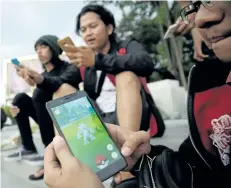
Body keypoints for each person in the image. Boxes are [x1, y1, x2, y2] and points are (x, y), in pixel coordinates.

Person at [44, 1, 231, 188]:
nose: (88, 33)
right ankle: (67, 160)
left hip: (133, 121)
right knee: (62, 91)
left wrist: (98, 60)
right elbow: (60, 81)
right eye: (83, 30)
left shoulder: (125, 46)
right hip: (101, 122)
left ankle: (125, 163)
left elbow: (145, 62)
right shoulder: (82, 60)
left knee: (125, 75)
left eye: (93, 26)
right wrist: (39, 80)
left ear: (109, 28)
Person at [6, 35, 80, 181]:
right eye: (36, 49)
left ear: (53, 48)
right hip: (45, 120)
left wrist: (41, 80)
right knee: (20, 99)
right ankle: (28, 147)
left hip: (66, 121)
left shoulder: (69, 67)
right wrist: (19, 110)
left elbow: (60, 83)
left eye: (43, 47)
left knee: (43, 93)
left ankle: (52, 154)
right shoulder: (42, 74)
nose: (39, 52)